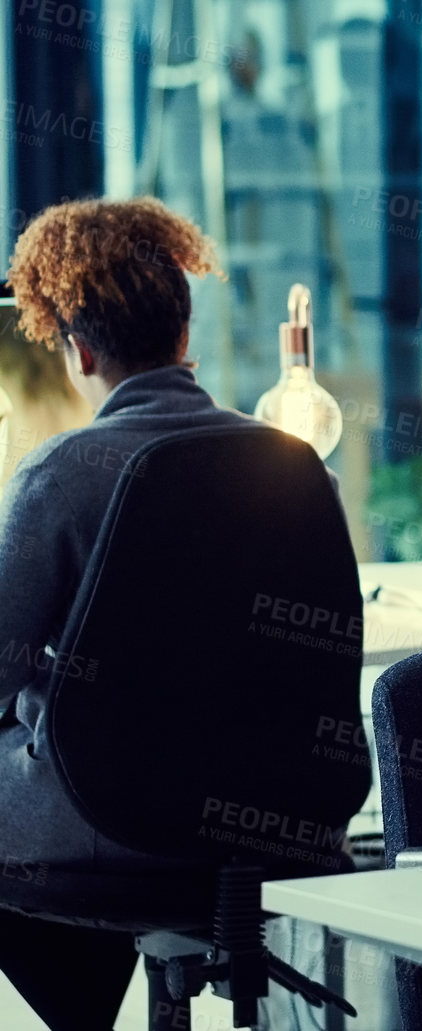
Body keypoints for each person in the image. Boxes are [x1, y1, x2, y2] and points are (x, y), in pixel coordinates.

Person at [0, 197, 244, 1030]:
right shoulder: (290, 465)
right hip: (261, 824)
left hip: (111, 829)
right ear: (183, 333)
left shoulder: (60, 473)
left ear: (78, 350)